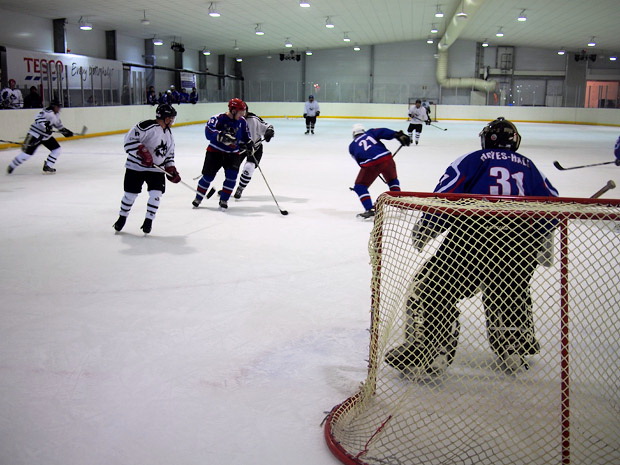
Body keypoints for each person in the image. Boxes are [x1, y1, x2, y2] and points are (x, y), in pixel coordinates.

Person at [385, 117, 559, 376]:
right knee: (510, 291)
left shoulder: (472, 159)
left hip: (472, 238)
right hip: (520, 244)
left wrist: (429, 226)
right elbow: (553, 204)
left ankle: (433, 349)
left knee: (430, 287)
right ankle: (514, 347)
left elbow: (447, 194)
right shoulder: (531, 167)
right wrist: (544, 239)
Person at [112, 104, 181, 235]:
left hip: (156, 169)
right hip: (135, 167)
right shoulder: (146, 126)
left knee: (156, 194)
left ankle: (148, 221)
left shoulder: (169, 134)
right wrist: (142, 152)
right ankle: (122, 217)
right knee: (130, 195)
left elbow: (169, 154)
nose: (172, 121)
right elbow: (128, 142)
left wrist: (170, 168)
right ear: (164, 117)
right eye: (170, 118)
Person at [192, 98, 252, 209]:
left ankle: (224, 200)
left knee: (232, 177)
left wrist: (248, 143)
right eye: (240, 111)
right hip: (215, 152)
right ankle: (198, 198)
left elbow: (246, 136)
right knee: (208, 177)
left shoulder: (242, 121)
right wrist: (219, 136)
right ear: (233, 111)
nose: (242, 114)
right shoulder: (218, 118)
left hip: (233, 154)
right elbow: (208, 131)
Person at [348, 124, 411, 218]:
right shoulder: (370, 132)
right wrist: (397, 135)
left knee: (360, 186)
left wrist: (371, 171)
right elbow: (383, 131)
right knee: (392, 180)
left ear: (353, 134)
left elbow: (360, 161)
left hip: (371, 164)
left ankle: (370, 209)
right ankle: (400, 203)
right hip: (387, 159)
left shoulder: (352, 146)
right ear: (363, 131)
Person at [6, 99, 75, 174]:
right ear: (54, 106)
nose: (59, 108)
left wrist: (65, 131)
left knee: (57, 149)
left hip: (46, 137)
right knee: (27, 154)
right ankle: (12, 165)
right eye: (58, 106)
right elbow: (37, 117)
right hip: (35, 135)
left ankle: (48, 166)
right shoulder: (47, 112)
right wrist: (46, 125)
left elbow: (58, 125)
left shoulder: (56, 115)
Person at [234, 107, 275, 199]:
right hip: (238, 149)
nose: (241, 113)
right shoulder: (231, 120)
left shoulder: (253, 119)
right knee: (232, 169)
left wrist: (269, 132)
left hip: (254, 149)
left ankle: (240, 188)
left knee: (249, 167)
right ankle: (228, 188)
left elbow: (268, 126)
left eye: (243, 111)